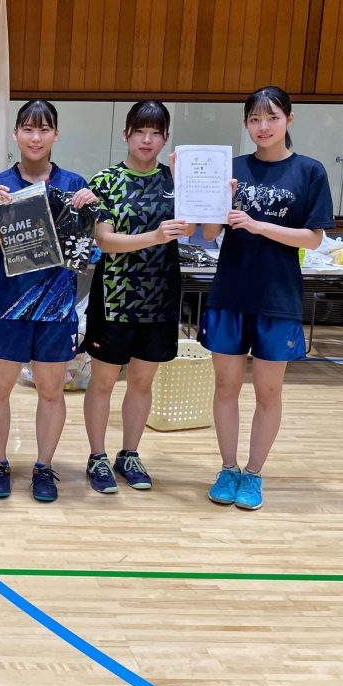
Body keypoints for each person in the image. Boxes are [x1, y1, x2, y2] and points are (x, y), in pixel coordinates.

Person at [200, 86, 334, 511]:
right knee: (225, 387)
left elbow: (313, 239)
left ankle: (254, 473)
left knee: (268, 392)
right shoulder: (232, 169)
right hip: (230, 292)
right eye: (255, 119)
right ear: (246, 124)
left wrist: (258, 226)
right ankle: (227, 467)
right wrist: (219, 199)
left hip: (278, 296)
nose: (263, 126)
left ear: (289, 120)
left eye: (272, 118)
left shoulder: (309, 172)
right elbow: (207, 234)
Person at [0, 100, 96, 502]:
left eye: (44, 129)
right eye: (27, 129)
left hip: (56, 303)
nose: (35, 137)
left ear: (55, 135)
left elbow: (85, 251)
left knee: (51, 391)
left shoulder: (73, 183)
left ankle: (44, 468)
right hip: (7, 303)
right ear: (15, 134)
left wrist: (87, 211)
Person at [82, 101, 191, 495]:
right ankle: (97, 456)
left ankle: (129, 453)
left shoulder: (173, 179)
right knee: (104, 382)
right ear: (126, 132)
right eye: (140, 130)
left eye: (156, 132)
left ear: (165, 138)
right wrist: (155, 237)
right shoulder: (105, 180)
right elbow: (105, 241)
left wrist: (192, 185)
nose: (148, 139)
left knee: (143, 382)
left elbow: (199, 227)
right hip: (114, 297)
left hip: (161, 296)